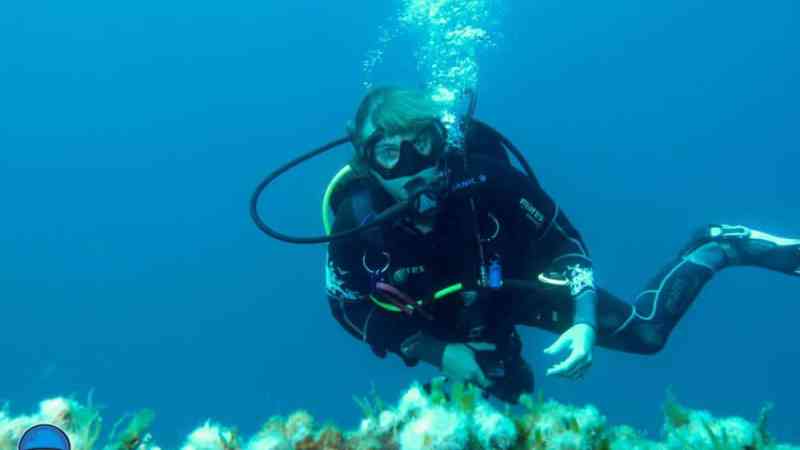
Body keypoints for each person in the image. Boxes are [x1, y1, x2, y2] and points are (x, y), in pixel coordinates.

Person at [323, 86, 800, 403]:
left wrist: (586, 320)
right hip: (442, 322)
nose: (412, 166)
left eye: (422, 144)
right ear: (366, 163)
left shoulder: (489, 181)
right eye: (389, 153)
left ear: (440, 140)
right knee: (513, 392)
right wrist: (432, 351)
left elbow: (567, 244)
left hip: (513, 283)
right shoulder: (354, 224)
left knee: (647, 336)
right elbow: (347, 308)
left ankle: (719, 245)